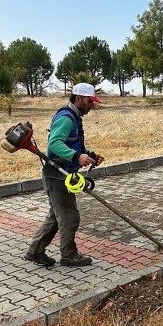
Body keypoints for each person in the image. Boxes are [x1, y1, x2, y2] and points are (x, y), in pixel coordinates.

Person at [25, 83, 104, 267]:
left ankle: (35, 251)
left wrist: (88, 156)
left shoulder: (75, 118)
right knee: (69, 217)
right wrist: (76, 157)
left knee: (55, 216)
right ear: (78, 98)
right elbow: (54, 145)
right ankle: (69, 256)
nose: (92, 106)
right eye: (89, 101)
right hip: (57, 175)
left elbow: (71, 144)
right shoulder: (67, 118)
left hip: (61, 174)